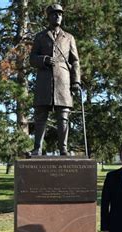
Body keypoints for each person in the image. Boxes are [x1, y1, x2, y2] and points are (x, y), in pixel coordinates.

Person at [29, 3, 81, 156]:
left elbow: (75, 61)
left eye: (60, 14)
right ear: (48, 17)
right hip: (44, 82)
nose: (57, 16)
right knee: (40, 116)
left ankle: (63, 148)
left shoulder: (69, 38)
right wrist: (43, 59)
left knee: (63, 117)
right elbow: (31, 59)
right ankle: (37, 148)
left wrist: (76, 81)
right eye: (54, 14)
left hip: (63, 82)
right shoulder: (40, 36)